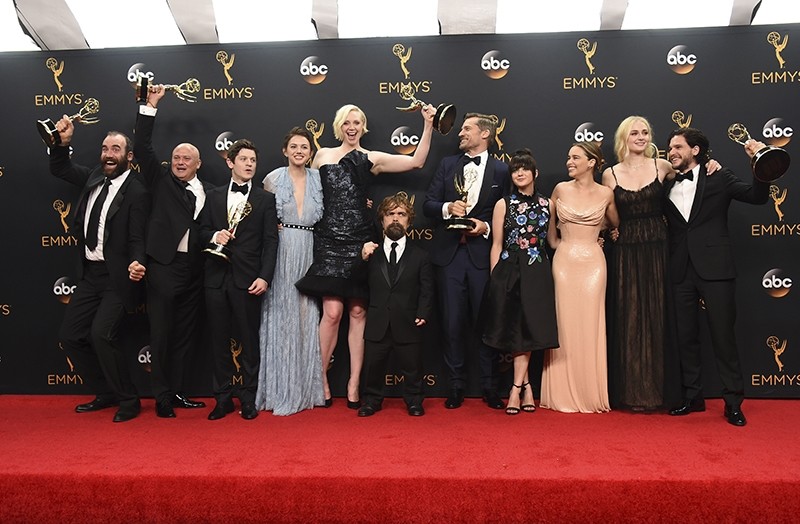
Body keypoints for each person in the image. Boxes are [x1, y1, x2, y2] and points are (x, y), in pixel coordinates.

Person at [295, 103, 435, 408]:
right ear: (339, 125)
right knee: (332, 314)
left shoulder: (372, 158)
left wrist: (427, 124)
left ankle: (354, 383)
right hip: (329, 239)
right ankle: (320, 380)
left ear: (363, 127)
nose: (352, 126)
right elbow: (306, 192)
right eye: (347, 122)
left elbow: (416, 162)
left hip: (360, 239)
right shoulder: (322, 155)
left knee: (358, 313)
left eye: (357, 122)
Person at [47, 117, 150, 423]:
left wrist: (137, 261)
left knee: (101, 334)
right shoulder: (93, 177)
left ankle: (129, 400)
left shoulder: (137, 191)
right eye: (105, 147)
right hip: (90, 276)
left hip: (118, 278)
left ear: (128, 156)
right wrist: (62, 143)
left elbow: (137, 236)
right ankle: (105, 391)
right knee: (71, 336)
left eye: (115, 149)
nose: (108, 153)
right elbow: (60, 168)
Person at [664, 128, 768, 427]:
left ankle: (733, 402)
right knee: (685, 337)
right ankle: (692, 396)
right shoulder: (666, 183)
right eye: (669, 147)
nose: (671, 152)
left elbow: (757, 197)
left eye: (677, 147)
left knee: (723, 338)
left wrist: (758, 163)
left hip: (716, 269)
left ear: (695, 150)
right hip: (680, 269)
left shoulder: (719, 177)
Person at [422, 112, 511, 410]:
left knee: (486, 323)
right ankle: (456, 386)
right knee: (451, 323)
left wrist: (485, 228)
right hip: (449, 257)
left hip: (483, 258)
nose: (460, 133)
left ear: (484, 134)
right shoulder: (448, 165)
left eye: (466, 129)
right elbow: (428, 204)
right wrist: (449, 207)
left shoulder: (501, 170)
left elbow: (508, 213)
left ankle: (489, 387)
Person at [132, 84, 210, 418]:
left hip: (195, 271)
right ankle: (161, 396)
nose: (180, 161)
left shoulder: (210, 192)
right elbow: (142, 147)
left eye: (186, 158)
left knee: (184, 336)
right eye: (176, 157)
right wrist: (148, 106)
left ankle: (177, 392)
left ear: (198, 164)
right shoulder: (160, 180)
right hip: (163, 267)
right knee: (162, 335)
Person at [200, 139, 279, 420]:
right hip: (215, 279)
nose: (249, 164)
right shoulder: (213, 195)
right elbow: (199, 231)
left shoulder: (265, 199)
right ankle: (222, 399)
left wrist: (265, 277)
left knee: (248, 342)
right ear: (230, 162)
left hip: (248, 280)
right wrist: (214, 236)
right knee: (218, 341)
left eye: (253, 160)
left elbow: (271, 242)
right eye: (243, 159)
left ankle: (248, 398)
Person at [541, 141, 619, 413]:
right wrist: (564, 246)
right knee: (564, 324)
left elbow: (614, 225)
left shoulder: (607, 193)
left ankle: (590, 392)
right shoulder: (560, 189)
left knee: (590, 323)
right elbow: (550, 235)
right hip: (564, 262)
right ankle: (561, 391)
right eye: (568, 157)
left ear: (592, 162)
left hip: (594, 266)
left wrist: (596, 238)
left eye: (575, 157)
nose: (569, 162)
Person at [482, 149, 559, 415]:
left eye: (525, 168)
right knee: (515, 329)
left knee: (529, 329)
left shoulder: (548, 204)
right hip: (509, 269)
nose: (520, 173)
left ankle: (519, 388)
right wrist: (495, 277)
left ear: (535, 173)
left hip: (537, 269)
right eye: (515, 170)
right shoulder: (504, 204)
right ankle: (522, 388)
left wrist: (587, 241)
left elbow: (552, 241)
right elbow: (496, 244)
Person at [256, 127, 325, 415]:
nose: (299, 150)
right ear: (285, 150)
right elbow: (260, 213)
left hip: (309, 249)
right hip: (281, 250)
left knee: (307, 315)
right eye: (294, 146)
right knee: (280, 314)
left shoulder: (319, 180)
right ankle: (277, 390)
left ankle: (307, 389)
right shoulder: (272, 179)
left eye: (305, 147)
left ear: (311, 153)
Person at [357, 193, 434, 417]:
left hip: (408, 320)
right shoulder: (371, 253)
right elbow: (357, 284)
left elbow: (427, 288)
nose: (395, 219)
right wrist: (361, 260)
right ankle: (371, 401)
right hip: (378, 321)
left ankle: (414, 401)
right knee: (373, 367)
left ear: (409, 221)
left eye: (401, 214)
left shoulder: (421, 256)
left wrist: (423, 312)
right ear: (382, 220)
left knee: (413, 367)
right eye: (390, 214)